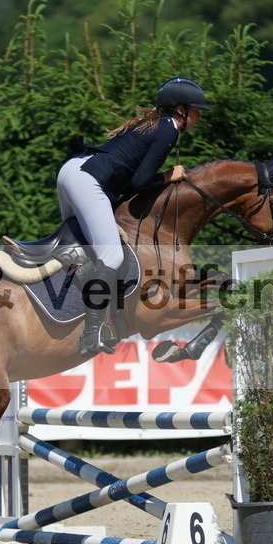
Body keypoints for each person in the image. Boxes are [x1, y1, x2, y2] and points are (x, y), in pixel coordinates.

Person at [57, 77, 210, 356]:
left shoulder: (154, 124)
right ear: (180, 109)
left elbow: (129, 184)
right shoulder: (168, 129)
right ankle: (91, 334)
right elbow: (140, 182)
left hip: (71, 172)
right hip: (88, 180)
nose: (198, 117)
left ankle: (68, 307)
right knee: (112, 257)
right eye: (195, 110)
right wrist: (168, 175)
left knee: (81, 250)